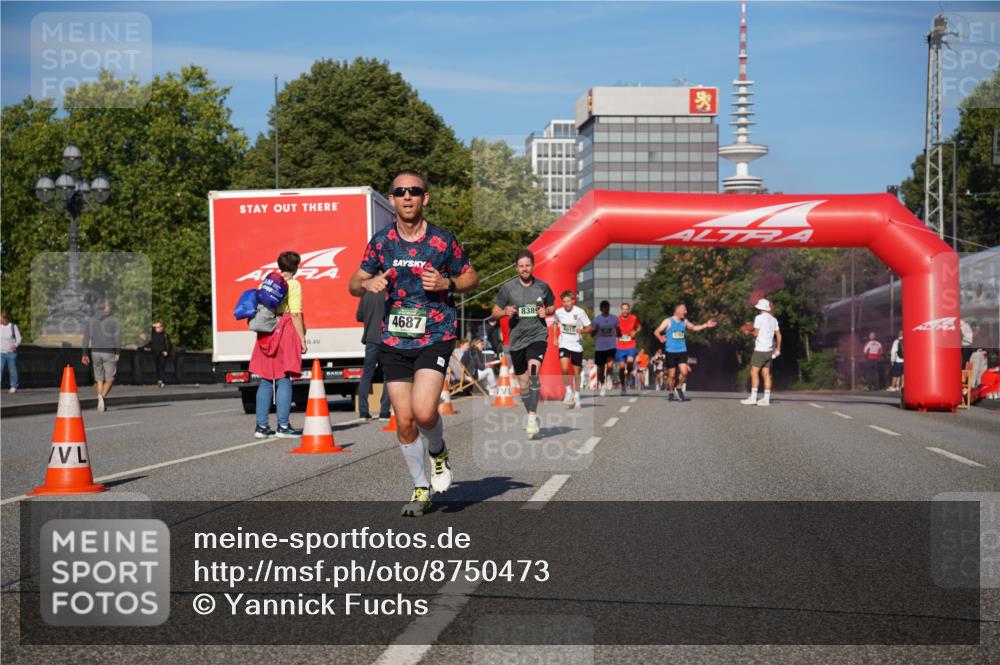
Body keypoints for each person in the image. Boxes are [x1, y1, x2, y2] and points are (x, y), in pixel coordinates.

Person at [349, 170, 479, 517]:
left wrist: (447, 282)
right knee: (404, 420)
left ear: (425, 198)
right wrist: (369, 283)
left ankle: (438, 452)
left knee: (424, 412)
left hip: (435, 334)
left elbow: (470, 276)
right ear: (391, 200)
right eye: (400, 192)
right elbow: (353, 282)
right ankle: (421, 488)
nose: (408, 197)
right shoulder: (381, 242)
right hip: (394, 338)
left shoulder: (442, 241)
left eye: (415, 191)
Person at [493, 249, 555, 439]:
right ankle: (531, 413)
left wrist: (547, 311)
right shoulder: (508, 288)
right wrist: (505, 312)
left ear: (533, 266)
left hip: (538, 335)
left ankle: (532, 416)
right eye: (521, 266)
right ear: (516, 268)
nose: (525, 269)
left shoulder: (542, 287)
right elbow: (495, 312)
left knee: (534, 373)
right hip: (517, 339)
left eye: (528, 265)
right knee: (523, 383)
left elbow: (552, 305)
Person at [250, 251, 307, 439]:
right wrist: (302, 339)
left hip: (266, 332)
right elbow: (296, 314)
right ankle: (283, 426)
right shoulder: (293, 284)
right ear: (295, 267)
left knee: (266, 380)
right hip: (285, 329)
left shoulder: (266, 282)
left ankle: (261, 426)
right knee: (284, 378)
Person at [653, 303, 717, 402]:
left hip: (682, 351)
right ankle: (670, 392)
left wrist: (706, 325)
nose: (686, 312)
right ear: (677, 311)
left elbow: (694, 328)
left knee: (684, 372)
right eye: (684, 310)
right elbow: (656, 331)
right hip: (670, 352)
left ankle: (678, 387)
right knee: (672, 375)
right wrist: (660, 337)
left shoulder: (685, 321)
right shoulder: (668, 321)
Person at [356, 289, 392, 422]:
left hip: (371, 338)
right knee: (388, 375)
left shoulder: (366, 293)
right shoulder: (391, 293)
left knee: (367, 374)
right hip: (387, 338)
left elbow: (359, 316)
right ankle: (384, 411)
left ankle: (363, 412)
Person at [553, 290, 592, 409]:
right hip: (564, 343)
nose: (566, 304)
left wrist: (582, 331)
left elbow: (589, 327)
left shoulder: (580, 312)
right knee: (564, 368)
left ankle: (577, 396)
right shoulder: (558, 312)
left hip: (577, 345)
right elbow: (555, 323)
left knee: (576, 373)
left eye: (568, 301)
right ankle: (568, 391)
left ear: (573, 301)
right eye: (564, 301)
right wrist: (555, 337)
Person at [82, 300, 121, 412]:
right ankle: (102, 397)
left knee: (99, 378)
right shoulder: (114, 320)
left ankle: (100, 400)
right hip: (109, 352)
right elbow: (117, 338)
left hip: (95, 352)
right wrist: (118, 352)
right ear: (106, 308)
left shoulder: (91, 320)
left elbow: (86, 338)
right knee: (110, 378)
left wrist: (84, 354)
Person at [740, 298, 781, 406]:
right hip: (769, 350)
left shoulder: (759, 318)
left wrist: (747, 332)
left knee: (754, 372)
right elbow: (779, 335)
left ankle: (753, 397)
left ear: (760, 308)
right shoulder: (774, 320)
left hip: (760, 350)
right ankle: (766, 399)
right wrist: (778, 349)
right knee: (766, 374)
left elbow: (755, 333)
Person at [591, 301, 619, 397]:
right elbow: (592, 334)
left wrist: (618, 331)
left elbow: (619, 333)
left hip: (611, 346)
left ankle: (610, 377)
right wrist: (595, 329)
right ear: (601, 308)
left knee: (610, 365)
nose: (607, 309)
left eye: (608, 307)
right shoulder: (597, 320)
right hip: (600, 347)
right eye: (605, 307)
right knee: (600, 369)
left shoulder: (614, 319)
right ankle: (602, 385)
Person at [615, 303, 642, 395]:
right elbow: (614, 330)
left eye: (627, 309)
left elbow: (639, 327)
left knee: (630, 362)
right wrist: (616, 333)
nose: (625, 311)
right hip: (620, 346)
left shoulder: (634, 318)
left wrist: (635, 331)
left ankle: (629, 374)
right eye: (623, 309)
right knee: (622, 367)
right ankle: (623, 385)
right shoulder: (617, 319)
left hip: (630, 344)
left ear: (629, 310)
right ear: (621, 310)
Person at [143, 321, 173, 387]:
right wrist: (152, 325)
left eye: (161, 327)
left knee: (161, 366)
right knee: (156, 366)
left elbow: (169, 344)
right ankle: (158, 380)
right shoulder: (152, 334)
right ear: (155, 328)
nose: (160, 328)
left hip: (162, 353)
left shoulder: (165, 335)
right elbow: (145, 329)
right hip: (154, 352)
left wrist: (166, 351)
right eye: (158, 327)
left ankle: (161, 380)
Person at [1, 311, 21, 394]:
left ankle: (13, 386)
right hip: (1, 352)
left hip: (11, 352)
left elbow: (19, 338)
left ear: (5, 319)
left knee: (12, 370)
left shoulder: (13, 326)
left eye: (1, 318)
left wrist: (15, 345)